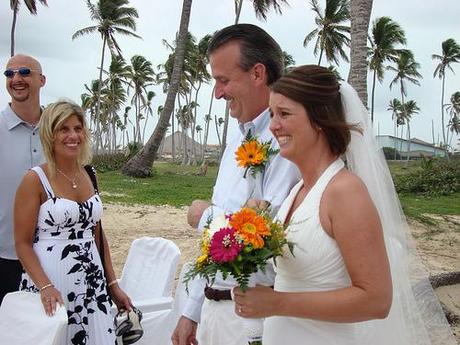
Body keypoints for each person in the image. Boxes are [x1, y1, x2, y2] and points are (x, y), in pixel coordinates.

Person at [233, 65, 457, 345]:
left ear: (319, 120)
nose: (274, 125)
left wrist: (278, 303)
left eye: (285, 114)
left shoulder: (345, 192)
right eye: (271, 114)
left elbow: (376, 300)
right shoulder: (298, 191)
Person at [172, 24, 300, 345]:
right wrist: (192, 311)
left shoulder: (287, 144)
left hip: (252, 321)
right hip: (215, 313)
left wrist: (203, 216)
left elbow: (266, 238)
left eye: (223, 80)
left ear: (258, 74)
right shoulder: (236, 138)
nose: (217, 93)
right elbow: (213, 251)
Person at [14, 100, 132, 345]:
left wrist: (112, 284)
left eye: (78, 128)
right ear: (50, 134)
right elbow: (22, 244)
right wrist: (45, 287)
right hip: (52, 282)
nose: (72, 136)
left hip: (92, 281)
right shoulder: (35, 180)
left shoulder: (90, 174)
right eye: (63, 129)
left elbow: (97, 234)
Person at [0, 54, 46, 305]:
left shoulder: (60, 130)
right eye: (9, 74)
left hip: (53, 256)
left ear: (42, 80)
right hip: (5, 256)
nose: (16, 79)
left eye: (25, 72)